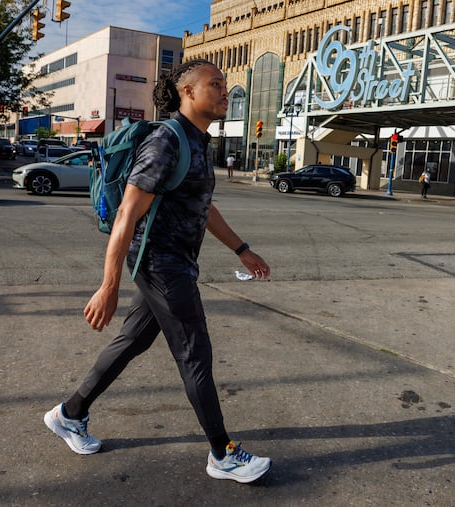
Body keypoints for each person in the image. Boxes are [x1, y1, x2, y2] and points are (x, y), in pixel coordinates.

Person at [43, 59, 272, 484]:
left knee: (132, 340)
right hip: (159, 261)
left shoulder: (198, 141)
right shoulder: (166, 141)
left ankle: (69, 414)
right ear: (187, 91)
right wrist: (108, 283)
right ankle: (223, 454)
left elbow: (202, 206)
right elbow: (128, 214)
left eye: (225, 84)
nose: (225, 92)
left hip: (176, 259)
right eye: (216, 84)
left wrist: (242, 249)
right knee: (194, 352)